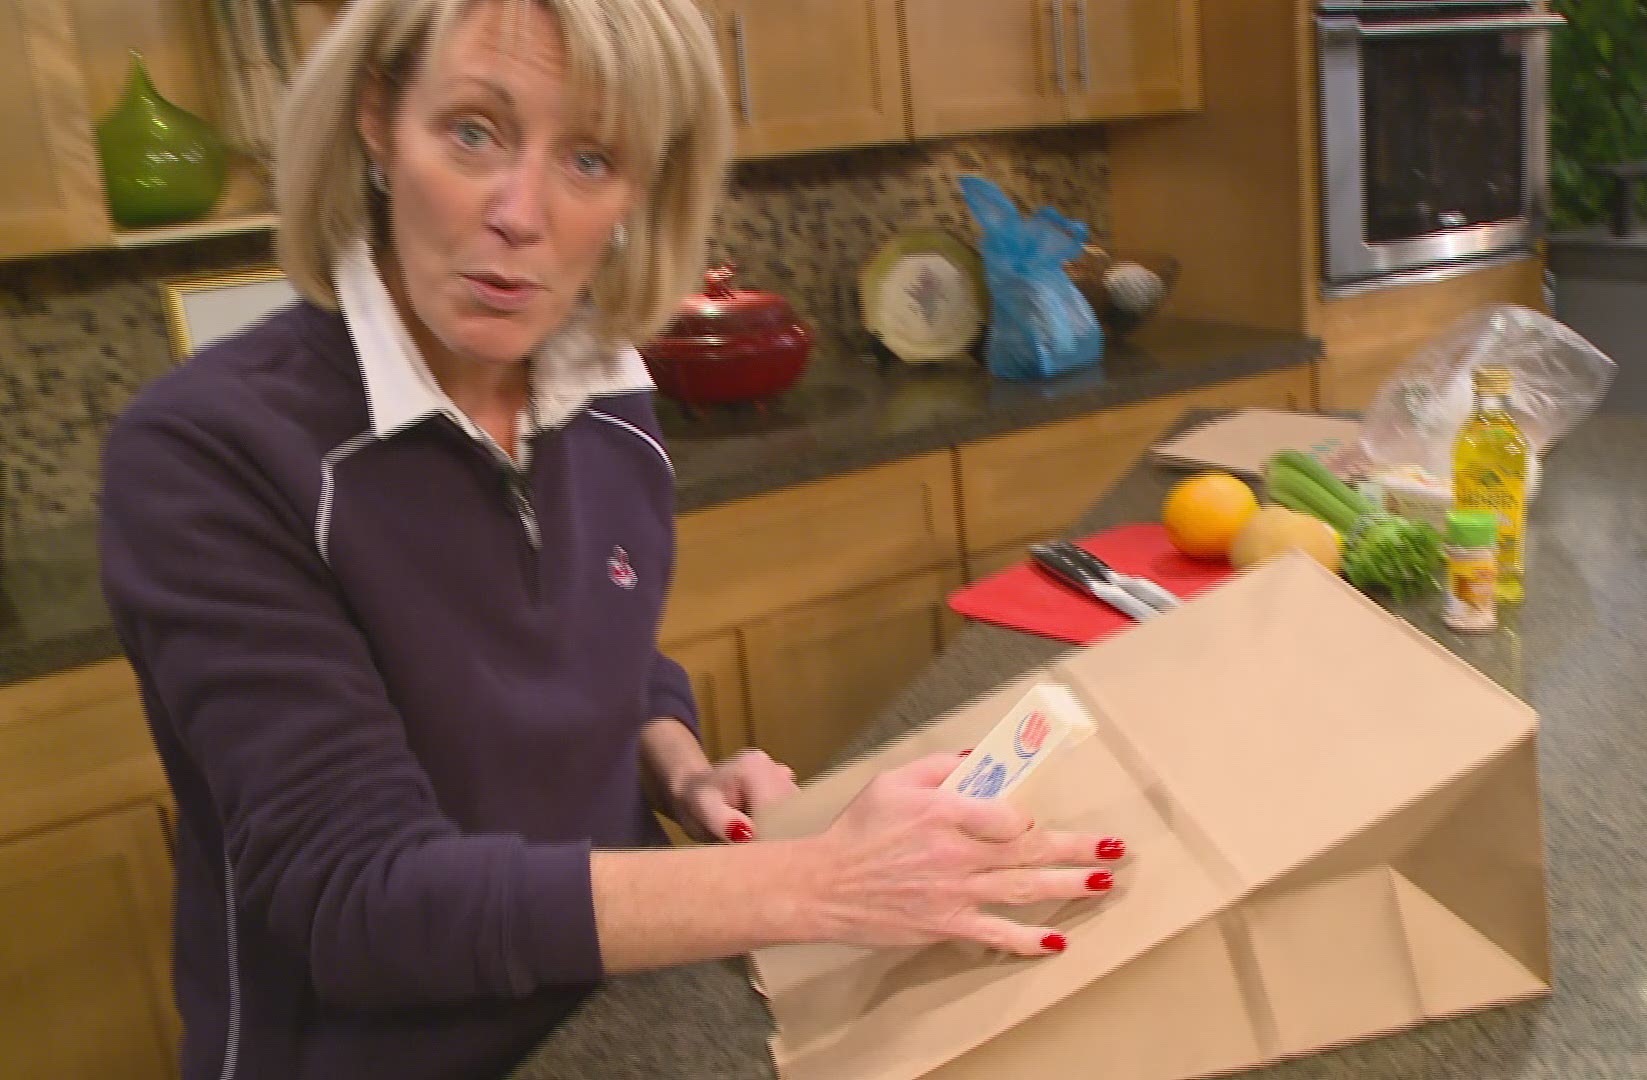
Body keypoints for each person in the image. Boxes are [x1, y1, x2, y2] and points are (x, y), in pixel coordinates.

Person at [96, 1, 1124, 1077]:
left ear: (641, 190)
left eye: (590, 157)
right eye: (474, 132)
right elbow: (360, 902)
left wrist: (678, 766)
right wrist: (822, 881)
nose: (520, 213)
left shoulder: (603, 387)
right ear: (377, 121)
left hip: (615, 1016)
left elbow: (599, 647)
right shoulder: (209, 452)